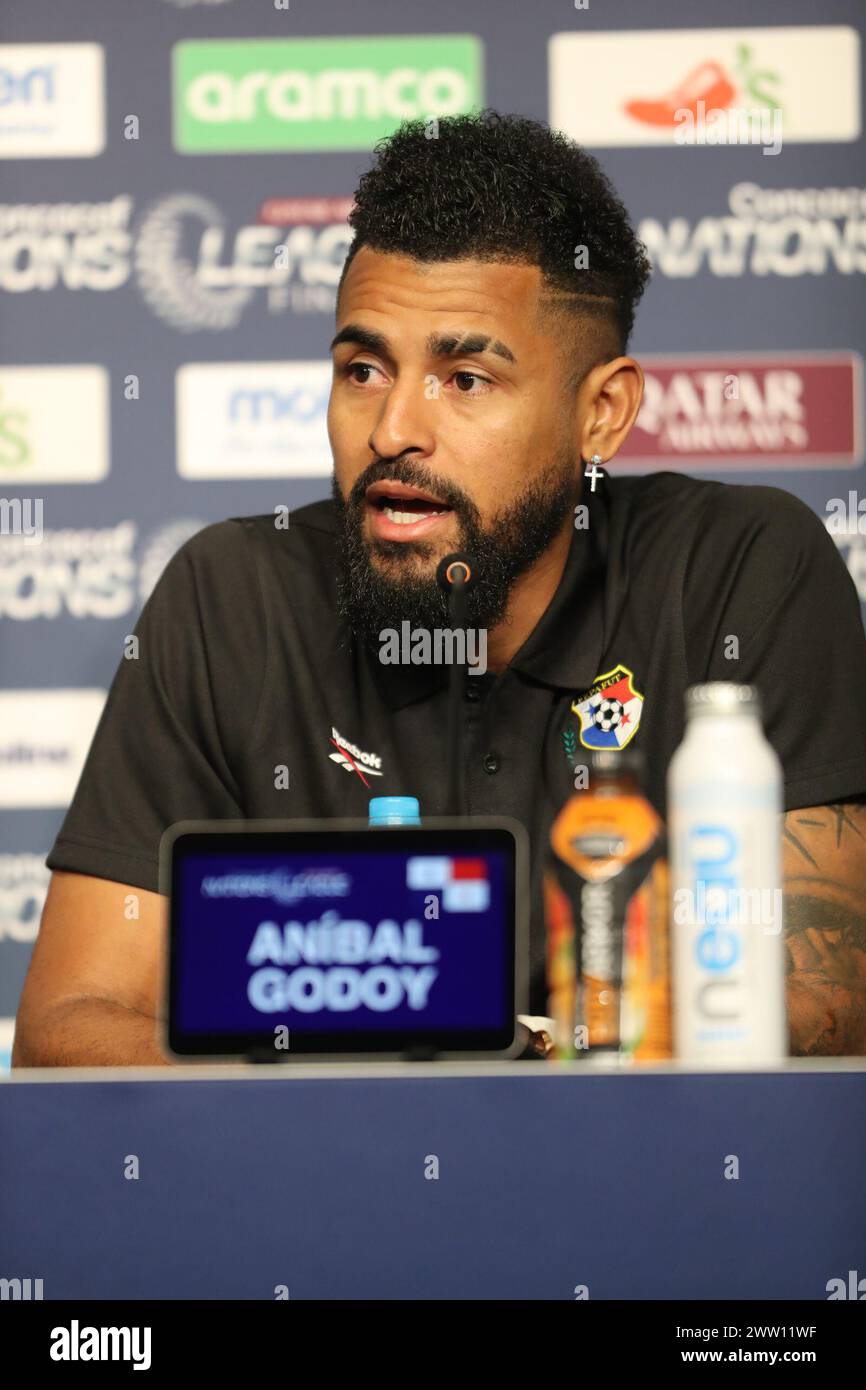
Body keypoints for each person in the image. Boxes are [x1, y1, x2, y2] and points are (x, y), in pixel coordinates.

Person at [13, 112, 866, 1067]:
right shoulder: (229, 599)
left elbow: (827, 1003)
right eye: (363, 369)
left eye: (465, 379)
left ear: (603, 413)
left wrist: (523, 1055)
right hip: (322, 1203)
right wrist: (392, 1086)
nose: (392, 430)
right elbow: (68, 1032)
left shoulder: (745, 571)